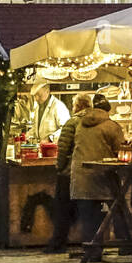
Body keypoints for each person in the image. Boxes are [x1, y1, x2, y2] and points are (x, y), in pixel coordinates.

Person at [70, 91, 128, 262]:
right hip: (103, 176)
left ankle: (91, 250)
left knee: (88, 215)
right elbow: (120, 150)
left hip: (81, 175)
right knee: (116, 209)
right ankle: (126, 245)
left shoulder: (81, 123)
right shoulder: (111, 126)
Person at [45, 95, 90, 252]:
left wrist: (60, 167)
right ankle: (90, 242)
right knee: (88, 210)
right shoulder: (101, 123)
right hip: (91, 173)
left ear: (77, 106)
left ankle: (59, 242)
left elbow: (63, 149)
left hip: (69, 173)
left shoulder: (72, 123)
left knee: (62, 209)